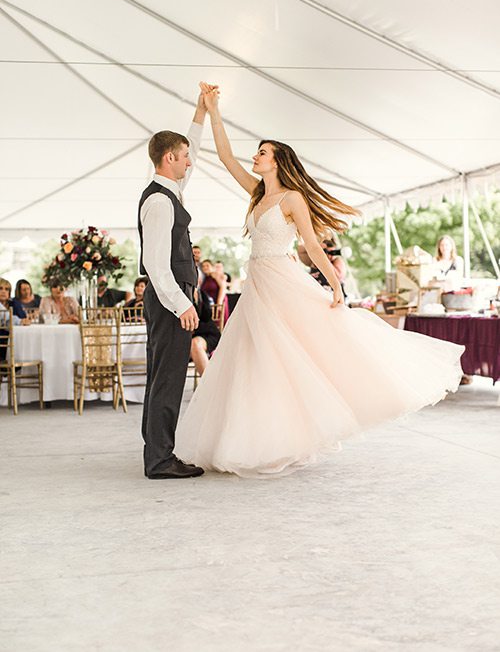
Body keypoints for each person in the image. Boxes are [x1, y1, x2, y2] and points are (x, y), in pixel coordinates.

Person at [174, 83, 465, 479]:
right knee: (256, 363)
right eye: (257, 152)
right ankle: (265, 438)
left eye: (262, 153)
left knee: (295, 356)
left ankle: (293, 436)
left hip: (282, 283)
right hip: (257, 286)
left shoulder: (291, 199)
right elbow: (224, 156)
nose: (255, 157)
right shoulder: (257, 195)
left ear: (277, 161)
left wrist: (337, 288)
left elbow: (312, 246)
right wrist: (210, 110)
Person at [138, 86, 215, 480]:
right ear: (169, 158)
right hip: (170, 301)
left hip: (173, 299)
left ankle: (157, 451)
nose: (189, 162)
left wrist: (200, 113)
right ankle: (160, 460)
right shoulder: (159, 201)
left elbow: (195, 153)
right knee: (167, 378)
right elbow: (154, 263)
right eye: (183, 157)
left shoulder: (172, 191)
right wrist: (182, 304)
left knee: (165, 375)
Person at [190, 288, 221, 377]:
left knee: (195, 344)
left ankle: (209, 386)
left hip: (208, 334)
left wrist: (196, 297)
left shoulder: (202, 293)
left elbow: (207, 315)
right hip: (184, 338)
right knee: (194, 344)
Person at [200, 259, 229, 324]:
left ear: (212, 267)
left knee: (220, 323)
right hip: (210, 305)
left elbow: (223, 287)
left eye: (207, 265)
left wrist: (219, 302)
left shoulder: (215, 274)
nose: (205, 267)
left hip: (218, 302)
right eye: (203, 266)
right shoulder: (205, 278)